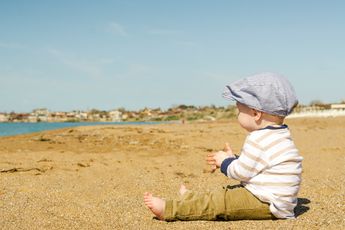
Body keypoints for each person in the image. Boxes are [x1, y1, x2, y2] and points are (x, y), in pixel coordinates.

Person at [144, 72, 303, 221]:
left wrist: (224, 162)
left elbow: (241, 173)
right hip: (277, 200)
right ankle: (191, 198)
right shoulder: (280, 135)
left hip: (267, 202)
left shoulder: (257, 139)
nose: (238, 115)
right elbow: (258, 165)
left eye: (239, 111)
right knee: (225, 193)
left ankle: (170, 209)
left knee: (220, 202)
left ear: (256, 114)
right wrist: (234, 159)